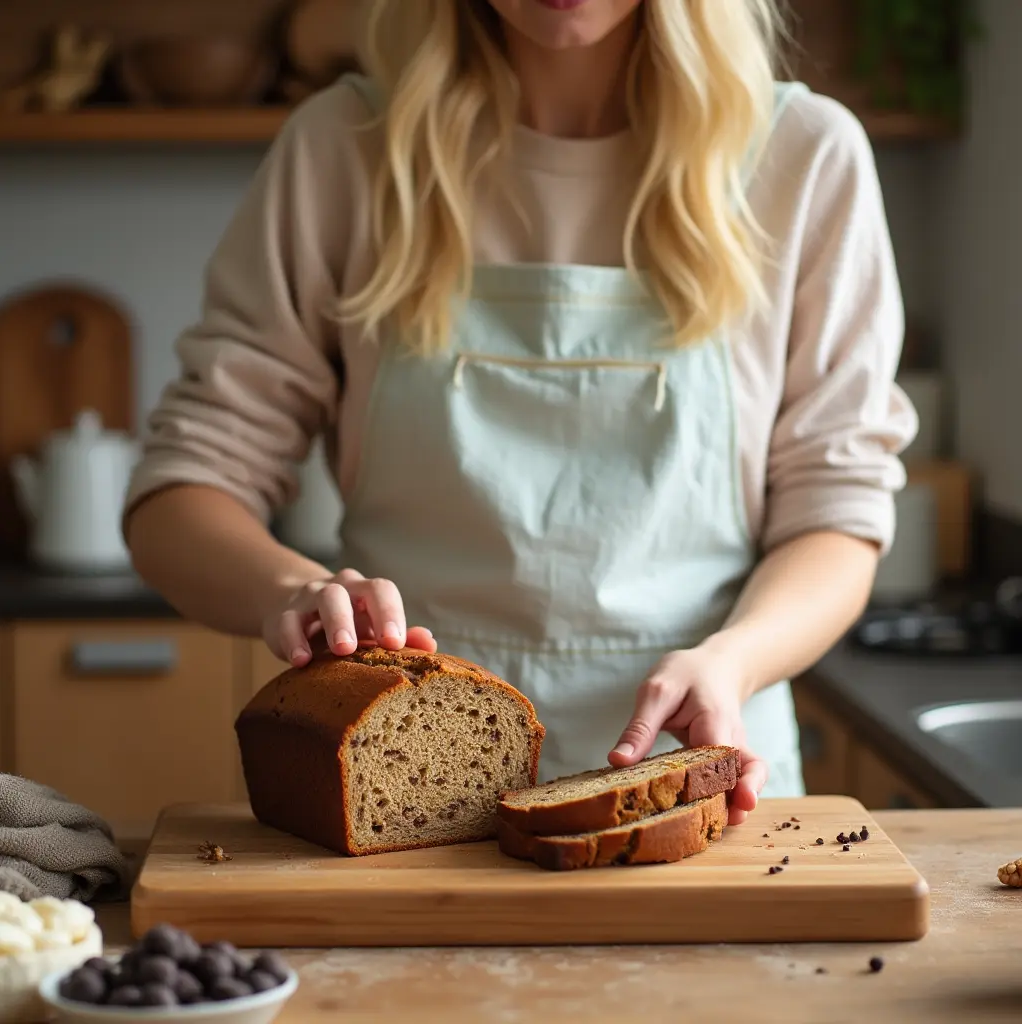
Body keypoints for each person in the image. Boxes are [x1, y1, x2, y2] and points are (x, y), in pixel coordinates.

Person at [124, 0, 917, 825]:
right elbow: (181, 494)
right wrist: (293, 589)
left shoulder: (804, 158)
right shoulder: (344, 147)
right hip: (402, 802)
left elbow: (837, 514)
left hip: (700, 793)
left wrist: (735, 661)